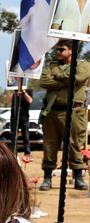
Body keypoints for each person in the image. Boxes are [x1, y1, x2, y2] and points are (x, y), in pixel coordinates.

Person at [38, 39, 90, 191]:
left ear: (71, 50)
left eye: (61, 49)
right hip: (52, 112)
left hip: (74, 111)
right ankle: (47, 177)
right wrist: (66, 80)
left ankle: (78, 177)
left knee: (75, 144)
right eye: (57, 50)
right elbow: (44, 82)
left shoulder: (83, 65)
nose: (58, 52)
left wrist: (58, 76)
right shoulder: (51, 66)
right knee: (49, 145)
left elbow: (78, 78)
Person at [7, 89, 33, 158]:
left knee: (26, 136)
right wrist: (13, 92)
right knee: (14, 136)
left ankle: (27, 153)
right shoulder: (14, 91)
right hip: (14, 118)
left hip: (24, 118)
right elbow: (9, 102)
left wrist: (24, 92)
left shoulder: (28, 91)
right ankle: (14, 152)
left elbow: (30, 100)